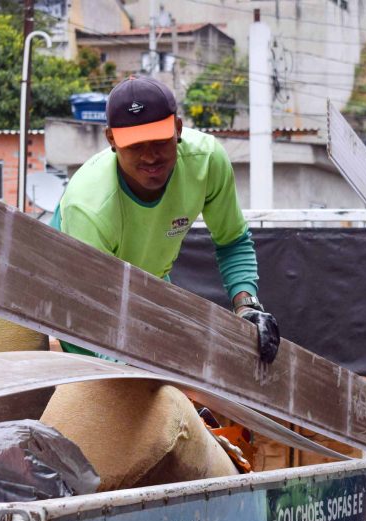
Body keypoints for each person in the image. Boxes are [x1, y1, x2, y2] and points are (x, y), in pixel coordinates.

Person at [51, 76, 279, 364]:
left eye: (159, 140)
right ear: (112, 140)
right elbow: (93, 308)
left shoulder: (206, 161)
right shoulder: (88, 205)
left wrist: (247, 307)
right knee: (121, 383)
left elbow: (232, 241)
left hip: (150, 285)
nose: (150, 157)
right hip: (81, 302)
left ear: (178, 128)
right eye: (135, 145)